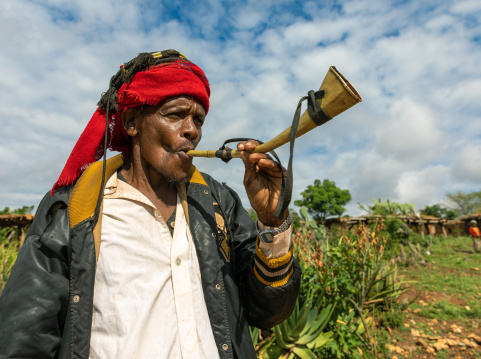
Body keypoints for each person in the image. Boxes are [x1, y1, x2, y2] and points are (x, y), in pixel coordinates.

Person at [0, 50, 301, 359]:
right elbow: (25, 338)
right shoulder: (74, 207)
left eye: (198, 119)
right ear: (132, 122)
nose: (192, 130)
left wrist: (273, 222)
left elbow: (268, 313)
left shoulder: (218, 203)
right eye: (175, 115)